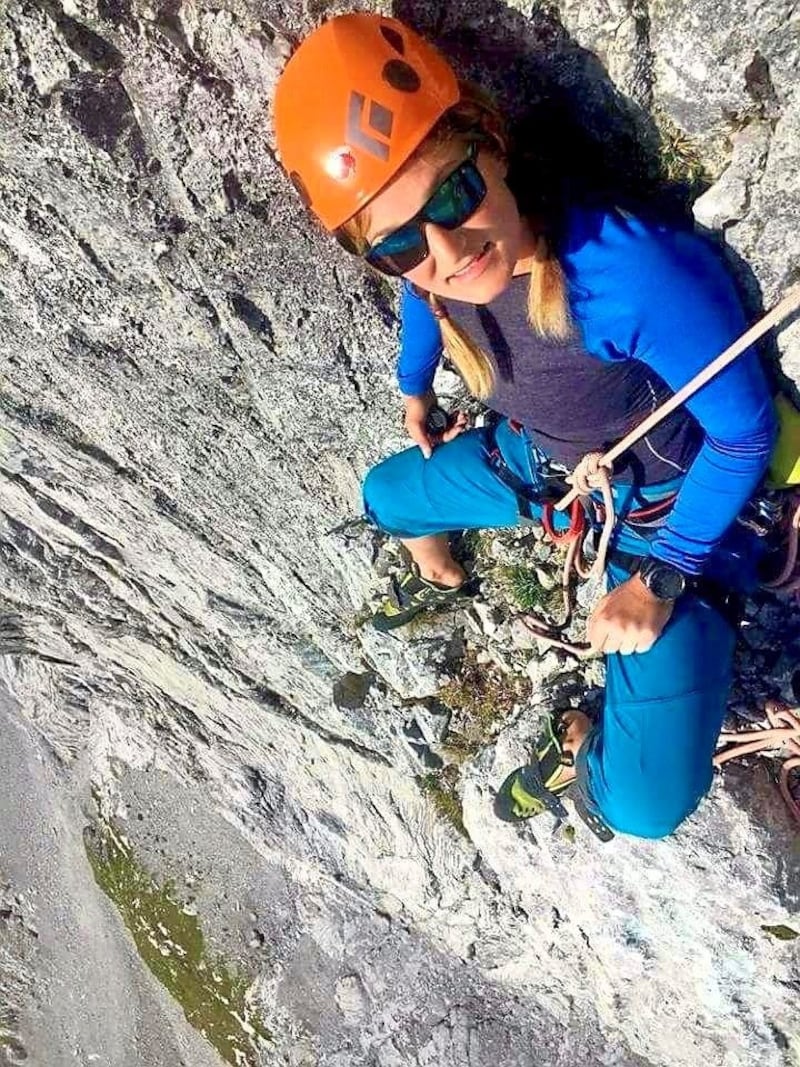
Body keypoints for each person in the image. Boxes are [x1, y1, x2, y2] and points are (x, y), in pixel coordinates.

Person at [273, 12, 778, 840]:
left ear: (488, 143)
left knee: (642, 808)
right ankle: (439, 577)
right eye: (400, 243)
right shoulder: (432, 271)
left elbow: (744, 437)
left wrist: (659, 582)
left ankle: (580, 741)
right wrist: (414, 388)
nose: (450, 247)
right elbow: (424, 299)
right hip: (546, 466)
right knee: (387, 496)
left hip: (673, 518)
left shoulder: (626, 272)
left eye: (454, 192)